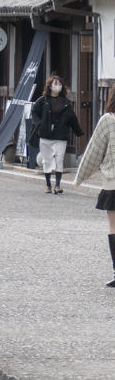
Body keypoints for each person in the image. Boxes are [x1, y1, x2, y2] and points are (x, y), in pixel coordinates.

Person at [73, 86, 115, 286]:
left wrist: (79, 178)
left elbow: (93, 153)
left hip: (113, 183)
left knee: (114, 227)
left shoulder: (108, 120)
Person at [31, 75, 82, 194]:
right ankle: (48, 184)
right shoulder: (42, 101)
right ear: (49, 86)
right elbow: (34, 112)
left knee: (59, 158)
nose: (57, 86)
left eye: (60, 84)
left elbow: (72, 118)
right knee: (47, 159)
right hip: (45, 133)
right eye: (55, 83)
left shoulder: (66, 102)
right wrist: (40, 124)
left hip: (61, 133)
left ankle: (57, 185)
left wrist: (78, 131)